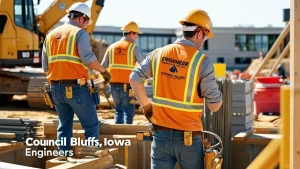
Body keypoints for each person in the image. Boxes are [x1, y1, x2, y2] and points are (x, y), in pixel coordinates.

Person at [129, 9, 223, 169]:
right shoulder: (202, 62)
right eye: (206, 36)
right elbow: (214, 106)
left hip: (160, 137)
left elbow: (134, 78)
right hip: (188, 140)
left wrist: (146, 106)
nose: (204, 41)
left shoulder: (158, 54)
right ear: (199, 33)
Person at [42, 2, 111, 155]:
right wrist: (103, 71)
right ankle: (90, 159)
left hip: (56, 90)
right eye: (87, 22)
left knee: (64, 125)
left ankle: (63, 158)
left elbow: (45, 68)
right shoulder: (79, 33)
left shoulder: (50, 36)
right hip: (76, 89)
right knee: (91, 125)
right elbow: (88, 58)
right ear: (82, 18)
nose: (87, 26)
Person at [101, 21, 145, 124]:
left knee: (118, 111)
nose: (137, 37)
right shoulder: (133, 47)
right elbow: (144, 65)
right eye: (136, 34)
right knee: (128, 112)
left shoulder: (111, 47)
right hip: (127, 87)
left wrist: (105, 81)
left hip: (113, 87)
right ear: (130, 33)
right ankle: (127, 135)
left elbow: (102, 67)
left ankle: (118, 134)